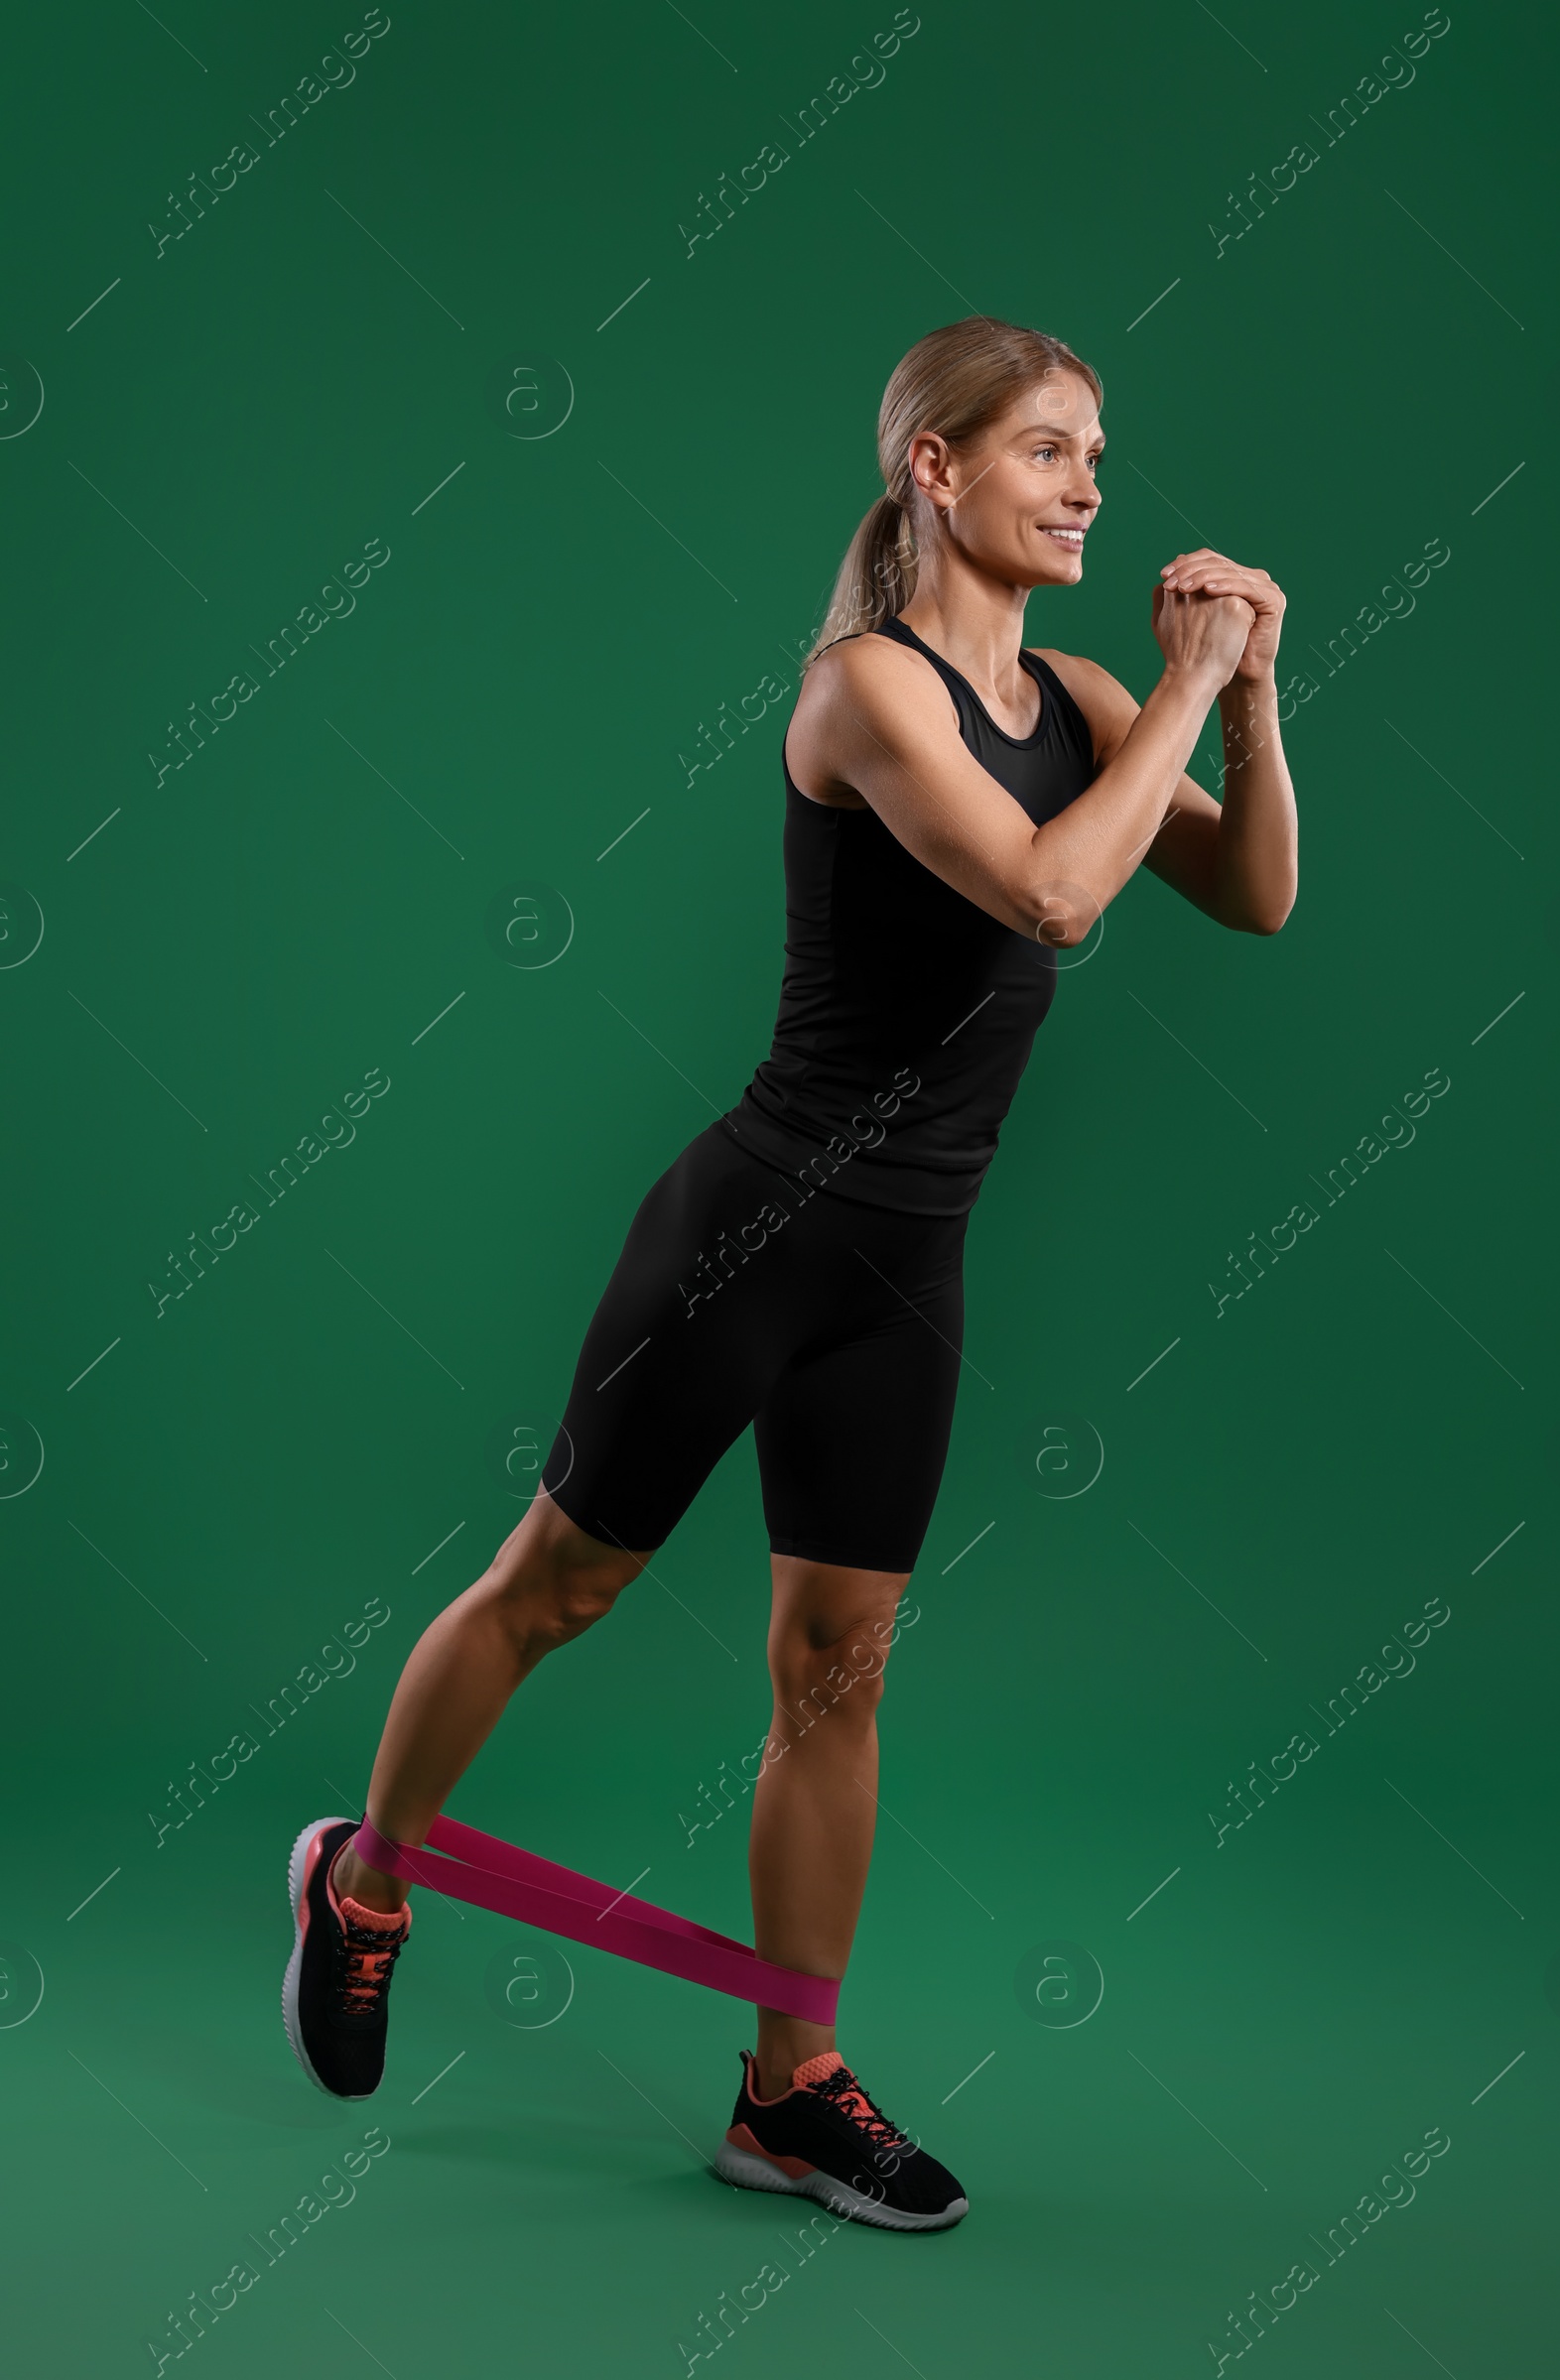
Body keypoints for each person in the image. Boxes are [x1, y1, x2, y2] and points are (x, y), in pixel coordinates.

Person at [281, 315, 1296, 2232]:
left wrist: (1248, 700)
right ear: (939, 469)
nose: (1091, 482)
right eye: (1051, 450)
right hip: (754, 1228)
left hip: (911, 1264)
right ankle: (365, 1883)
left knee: (837, 1673)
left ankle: (786, 2090)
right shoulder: (866, 691)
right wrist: (1188, 679)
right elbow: (1057, 895)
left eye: (1099, 450)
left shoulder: (1084, 692)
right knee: (551, 1591)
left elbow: (1251, 890)